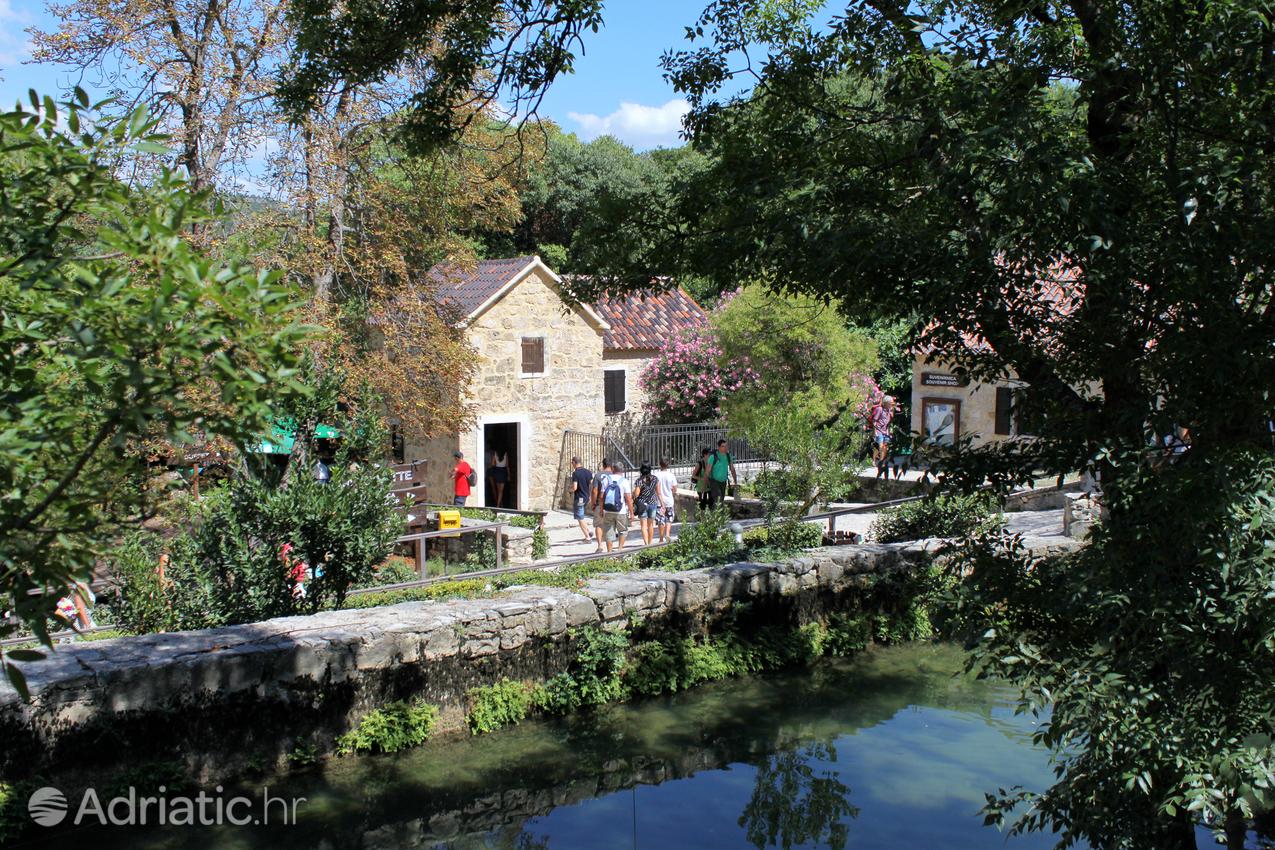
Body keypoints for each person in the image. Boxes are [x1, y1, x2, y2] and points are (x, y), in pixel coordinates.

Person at [598, 460, 635, 552]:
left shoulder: (606, 479)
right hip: (620, 511)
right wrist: (631, 513)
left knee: (608, 531)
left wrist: (601, 509)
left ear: (613, 469)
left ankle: (610, 552)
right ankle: (619, 550)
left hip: (608, 510)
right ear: (622, 470)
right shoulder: (624, 481)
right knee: (622, 531)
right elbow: (628, 499)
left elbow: (601, 496)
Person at [590, 458, 613, 553]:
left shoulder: (598, 475)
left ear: (603, 465)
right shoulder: (614, 475)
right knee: (609, 526)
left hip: (600, 503)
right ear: (611, 465)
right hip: (611, 504)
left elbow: (595, 490)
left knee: (599, 525)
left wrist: (593, 503)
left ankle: (600, 545)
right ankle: (610, 549)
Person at [653, 457, 678, 543]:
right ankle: (667, 534)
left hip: (659, 501)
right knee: (669, 518)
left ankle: (660, 538)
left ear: (660, 465)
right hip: (669, 500)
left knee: (661, 520)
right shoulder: (671, 475)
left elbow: (654, 488)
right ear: (668, 465)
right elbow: (675, 489)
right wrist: (672, 491)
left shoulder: (656, 475)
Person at [869, 395, 895, 478]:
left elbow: (889, 423)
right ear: (886, 403)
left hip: (885, 432)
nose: (891, 405)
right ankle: (875, 460)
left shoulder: (889, 411)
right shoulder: (879, 409)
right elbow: (874, 421)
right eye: (890, 403)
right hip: (879, 431)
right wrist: (874, 431)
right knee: (880, 446)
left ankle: (881, 462)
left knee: (884, 447)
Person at [569, 456, 593, 543]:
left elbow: (575, 487)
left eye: (572, 463)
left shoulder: (575, 473)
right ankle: (589, 531)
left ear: (575, 462)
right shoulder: (588, 472)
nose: (572, 465)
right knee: (581, 515)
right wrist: (590, 496)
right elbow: (591, 485)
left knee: (580, 517)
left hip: (579, 498)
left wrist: (570, 489)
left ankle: (587, 537)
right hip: (586, 497)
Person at [633, 464, 658, 546]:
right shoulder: (655, 479)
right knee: (651, 525)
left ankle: (646, 544)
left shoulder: (639, 481)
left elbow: (636, 494)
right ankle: (650, 543)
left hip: (642, 505)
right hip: (653, 503)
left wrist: (633, 494)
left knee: (643, 526)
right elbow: (658, 491)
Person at [708, 439, 737, 507]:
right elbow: (707, 471)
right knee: (718, 500)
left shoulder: (728, 456)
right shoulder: (713, 457)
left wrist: (735, 481)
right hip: (714, 481)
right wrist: (705, 484)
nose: (725, 448)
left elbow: (732, 469)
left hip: (723, 482)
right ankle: (717, 516)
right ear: (719, 447)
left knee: (721, 500)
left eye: (726, 446)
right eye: (723, 446)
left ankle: (716, 515)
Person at [691, 447, 713, 513]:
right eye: (709, 454)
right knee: (702, 504)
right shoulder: (699, 464)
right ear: (705, 454)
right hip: (701, 488)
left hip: (710, 486)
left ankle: (711, 519)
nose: (711, 455)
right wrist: (702, 479)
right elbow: (693, 476)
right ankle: (703, 521)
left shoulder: (710, 463)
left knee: (711, 504)